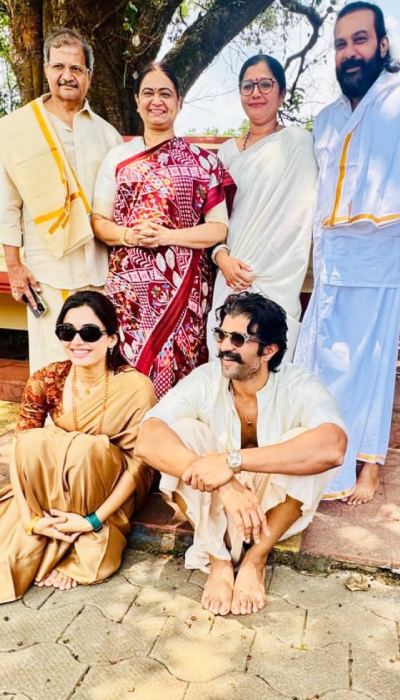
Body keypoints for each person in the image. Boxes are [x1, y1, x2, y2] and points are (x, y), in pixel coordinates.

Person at [136, 292, 347, 616]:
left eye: (238, 339)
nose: (224, 347)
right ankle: (219, 560)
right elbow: (147, 438)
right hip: (216, 504)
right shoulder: (206, 378)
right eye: (221, 335)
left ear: (269, 350)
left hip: (271, 508)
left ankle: (255, 559)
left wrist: (232, 462)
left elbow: (333, 446)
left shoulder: (298, 384)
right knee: (184, 433)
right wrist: (226, 483)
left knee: (305, 443)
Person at [294, 2, 400, 505]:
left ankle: (369, 465)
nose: (350, 52)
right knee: (321, 364)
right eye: (340, 44)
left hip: (382, 260)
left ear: (383, 44)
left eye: (360, 40)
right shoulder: (327, 119)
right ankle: (325, 462)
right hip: (332, 261)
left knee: (372, 367)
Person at [0, 291, 155, 603]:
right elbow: (20, 451)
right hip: (60, 482)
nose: (77, 341)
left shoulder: (136, 387)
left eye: (90, 332)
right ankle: (49, 526)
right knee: (35, 441)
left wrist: (93, 520)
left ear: (112, 339)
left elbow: (140, 465)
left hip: (111, 484)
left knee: (87, 450)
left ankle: (75, 542)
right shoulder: (47, 379)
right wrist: (29, 519)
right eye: (67, 332)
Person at [92, 61, 234, 399]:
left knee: (181, 377)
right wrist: (128, 235)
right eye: (149, 93)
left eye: (166, 94)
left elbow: (218, 229)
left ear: (179, 102)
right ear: (137, 101)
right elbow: (99, 222)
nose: (157, 101)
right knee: (127, 373)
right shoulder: (117, 158)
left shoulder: (204, 162)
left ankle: (172, 432)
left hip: (185, 293)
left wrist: (167, 236)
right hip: (129, 293)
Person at [0, 28, 122, 372]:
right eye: (59, 67)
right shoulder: (15, 129)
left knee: (94, 364)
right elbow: (7, 204)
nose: (67, 76)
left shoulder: (107, 134)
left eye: (76, 68)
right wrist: (15, 267)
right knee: (51, 365)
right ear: (46, 69)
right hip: (45, 271)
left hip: (97, 269)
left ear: (89, 76)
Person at [208, 54, 317, 359]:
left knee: (270, 368)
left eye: (265, 84)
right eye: (248, 86)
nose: (256, 93)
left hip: (278, 282)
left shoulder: (300, 143)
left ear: (281, 94)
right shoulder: (226, 153)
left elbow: (301, 215)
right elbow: (213, 219)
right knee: (226, 365)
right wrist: (222, 258)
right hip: (231, 278)